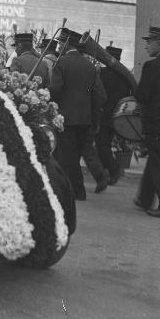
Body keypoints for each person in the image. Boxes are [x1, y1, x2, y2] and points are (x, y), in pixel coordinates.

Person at [49, 29, 107, 201]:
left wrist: (51, 104)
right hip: (85, 118)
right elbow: (99, 95)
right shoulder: (90, 65)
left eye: (61, 42)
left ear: (68, 44)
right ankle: (77, 188)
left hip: (66, 118)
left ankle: (77, 191)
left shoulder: (62, 63)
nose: (58, 45)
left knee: (68, 156)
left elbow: (55, 89)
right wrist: (94, 118)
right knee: (77, 153)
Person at [133, 26, 160, 218]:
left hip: (157, 122)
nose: (147, 46)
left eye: (150, 42)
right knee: (157, 159)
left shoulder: (152, 66)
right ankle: (145, 198)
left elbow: (142, 94)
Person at [94, 45, 133, 186]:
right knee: (105, 144)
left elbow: (98, 94)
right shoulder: (125, 75)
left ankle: (114, 169)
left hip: (103, 115)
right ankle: (104, 172)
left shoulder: (103, 73)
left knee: (102, 145)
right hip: (116, 116)